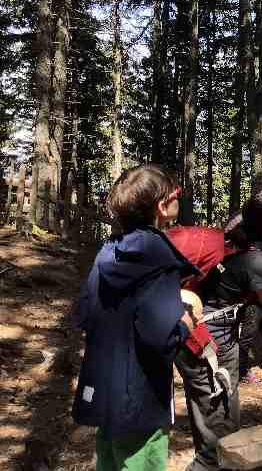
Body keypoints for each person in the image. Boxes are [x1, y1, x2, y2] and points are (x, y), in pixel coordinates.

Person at [72, 164, 200, 471]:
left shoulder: (108, 251)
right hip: (141, 402)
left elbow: (84, 313)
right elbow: (161, 340)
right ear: (161, 205)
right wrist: (187, 320)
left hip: (104, 395)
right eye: (177, 193)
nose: (178, 198)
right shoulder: (159, 258)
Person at [175, 187, 262, 471]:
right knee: (217, 448)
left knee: (210, 428)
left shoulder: (235, 226)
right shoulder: (257, 262)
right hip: (210, 350)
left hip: (190, 334)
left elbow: (260, 217)